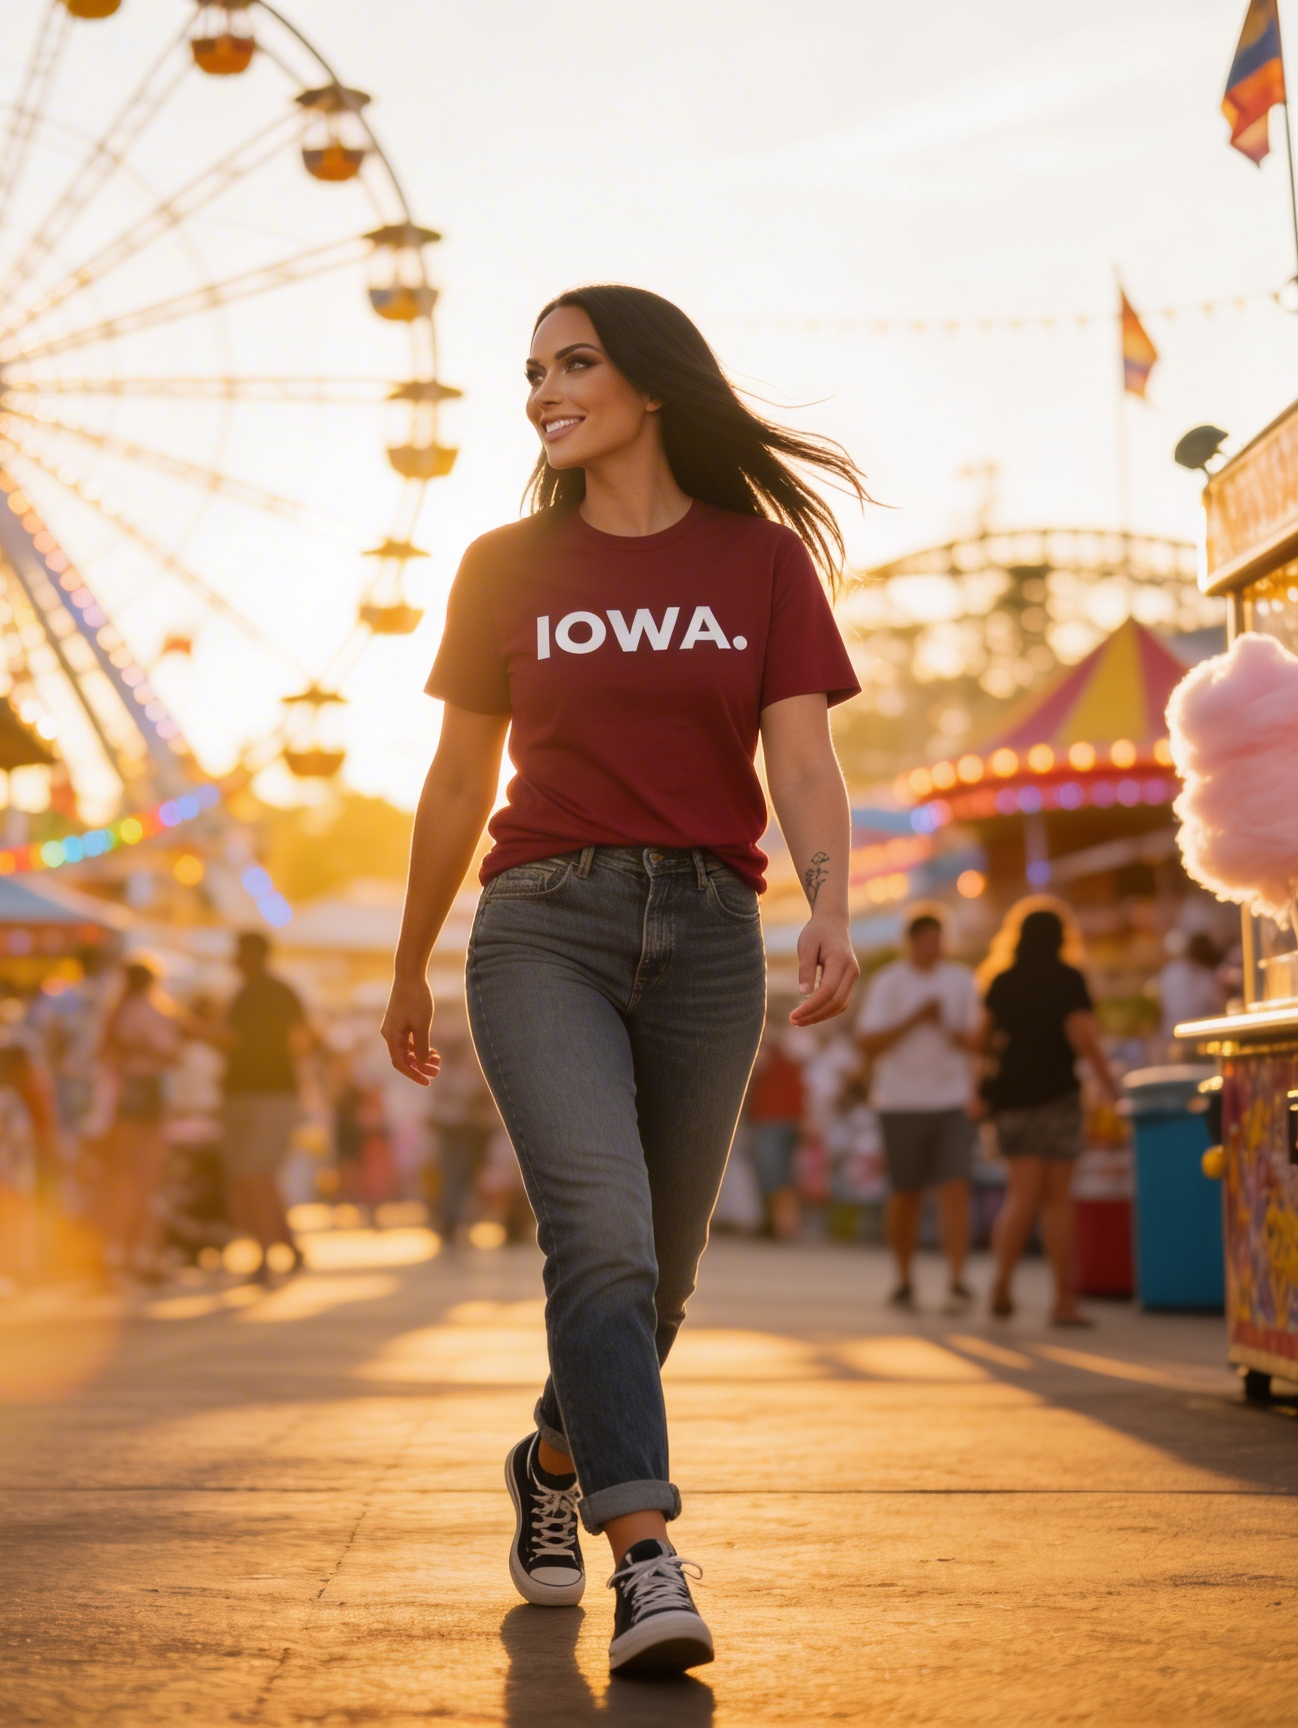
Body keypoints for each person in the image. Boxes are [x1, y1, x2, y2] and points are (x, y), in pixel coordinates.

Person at [380, 284, 866, 1675]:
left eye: (574, 361)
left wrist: (831, 909)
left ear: (650, 383)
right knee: (598, 1231)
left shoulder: (760, 563)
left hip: (714, 930)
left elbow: (803, 758)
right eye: (531, 369)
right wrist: (410, 959)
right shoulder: (500, 566)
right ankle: (645, 1557)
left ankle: (550, 1455)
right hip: (544, 922)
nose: (542, 388)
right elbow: (461, 775)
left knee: (658, 1282)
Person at [978, 899, 1119, 1326]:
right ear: (1063, 937)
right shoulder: (1068, 979)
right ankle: (1063, 1301)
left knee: (1020, 1195)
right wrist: (1110, 1085)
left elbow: (980, 1040)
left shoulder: (1002, 980)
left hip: (1012, 1098)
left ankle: (1001, 1284)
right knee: (1058, 1200)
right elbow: (1081, 1036)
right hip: (1057, 1095)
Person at [856, 905, 979, 1313]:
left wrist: (949, 1030)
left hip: (951, 1098)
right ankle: (905, 1278)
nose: (933, 948)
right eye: (925, 940)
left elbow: (979, 1042)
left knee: (955, 1187)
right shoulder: (889, 982)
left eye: (938, 940)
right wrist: (916, 1018)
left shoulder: (961, 981)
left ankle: (958, 1279)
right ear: (911, 943)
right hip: (900, 1100)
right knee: (906, 1193)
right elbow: (869, 1043)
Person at [217, 930, 310, 1279]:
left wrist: (192, 1029)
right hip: (264, 1093)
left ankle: (266, 1254)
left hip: (267, 1094)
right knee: (253, 1177)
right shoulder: (269, 992)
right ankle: (286, 1247)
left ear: (252, 954)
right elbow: (304, 1040)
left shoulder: (261, 993)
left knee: (253, 1176)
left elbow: (300, 1040)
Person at [101, 960, 181, 1283]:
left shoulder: (125, 1010)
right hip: (143, 1092)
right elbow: (164, 1052)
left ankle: (128, 1252)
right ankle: (135, 1252)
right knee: (142, 1178)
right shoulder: (147, 1011)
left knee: (132, 1178)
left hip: (139, 1093)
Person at [426, 1018, 499, 1247]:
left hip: (469, 1126)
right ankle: (451, 1219)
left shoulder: (463, 1061)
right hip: (461, 1126)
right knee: (456, 1175)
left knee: (460, 1175)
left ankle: (454, 1219)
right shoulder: (454, 1063)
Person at [741, 1030, 807, 1241]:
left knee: (774, 1173)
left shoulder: (774, 1046)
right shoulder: (794, 1046)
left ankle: (783, 1225)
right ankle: (777, 1223)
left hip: (771, 1118)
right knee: (778, 1172)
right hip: (783, 1116)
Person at [1154, 931, 1228, 1060]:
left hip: (1172, 1037)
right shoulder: (1207, 976)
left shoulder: (1170, 972)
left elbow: (1157, 1005)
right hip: (1198, 1039)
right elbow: (1220, 1007)